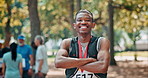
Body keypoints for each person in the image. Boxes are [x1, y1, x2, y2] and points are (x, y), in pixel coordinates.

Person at [55, 9, 110, 78]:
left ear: (93, 25)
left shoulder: (101, 42)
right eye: (79, 20)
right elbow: (58, 63)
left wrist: (70, 63)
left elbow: (102, 67)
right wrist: (88, 60)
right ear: (74, 25)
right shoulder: (67, 43)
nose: (83, 22)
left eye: (87, 20)